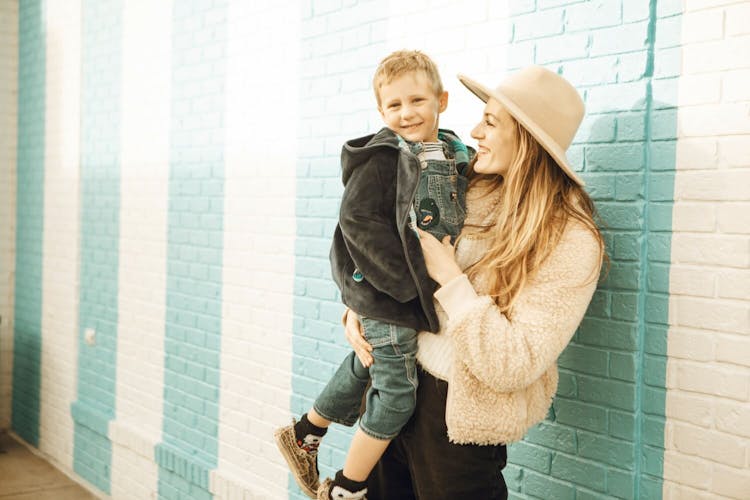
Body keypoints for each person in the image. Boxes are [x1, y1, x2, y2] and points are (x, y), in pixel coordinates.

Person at [342, 65, 607, 499]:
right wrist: (361, 306)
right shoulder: (464, 187)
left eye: (490, 121)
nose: (473, 131)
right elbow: (390, 249)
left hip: (456, 426)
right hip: (396, 393)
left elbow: (515, 362)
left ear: (527, 137)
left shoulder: (570, 239)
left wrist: (451, 277)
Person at [274, 50, 473, 500]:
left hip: (415, 292)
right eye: (394, 105)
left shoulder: (457, 154)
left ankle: (306, 431)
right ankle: (347, 488)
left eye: (417, 100)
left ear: (442, 100)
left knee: (369, 362)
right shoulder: (382, 158)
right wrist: (403, 287)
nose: (407, 113)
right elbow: (358, 225)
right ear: (381, 112)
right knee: (397, 391)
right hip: (393, 292)